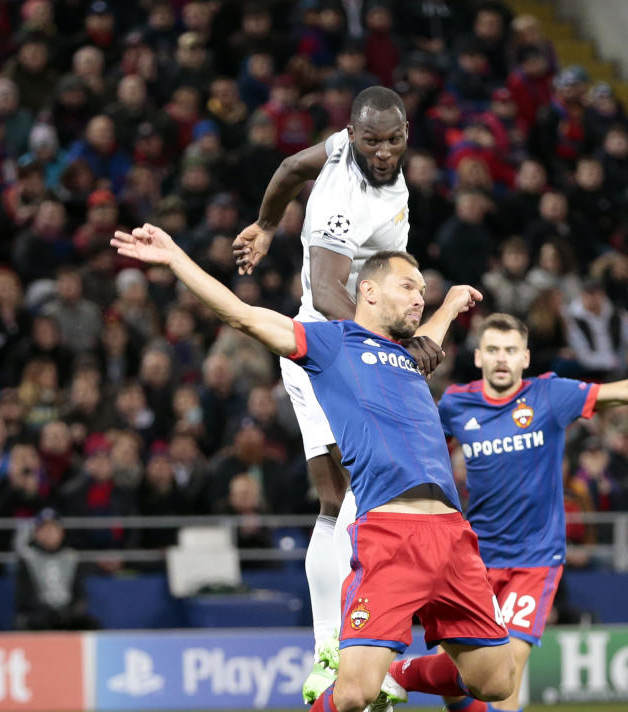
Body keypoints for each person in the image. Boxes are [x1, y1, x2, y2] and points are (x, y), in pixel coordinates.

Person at [114, 224, 515, 712]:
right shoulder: (331, 345)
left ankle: (400, 671)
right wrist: (176, 258)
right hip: (391, 533)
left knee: (496, 682)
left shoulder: (406, 358)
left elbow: (427, 333)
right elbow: (241, 316)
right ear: (367, 289)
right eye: (408, 287)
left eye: (423, 292)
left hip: (454, 534)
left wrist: (448, 307)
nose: (418, 298)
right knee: (351, 696)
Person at [230, 85, 444, 703]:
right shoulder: (345, 201)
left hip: (325, 348)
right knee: (361, 495)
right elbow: (326, 288)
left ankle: (339, 653)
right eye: (370, 141)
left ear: (406, 131)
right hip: (334, 352)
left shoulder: (338, 150)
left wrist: (267, 224)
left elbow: (290, 167)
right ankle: (347, 653)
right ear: (354, 133)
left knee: (341, 499)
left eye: (392, 139)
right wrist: (388, 352)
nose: (382, 152)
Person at [437, 312, 628, 712]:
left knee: (506, 669)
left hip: (534, 558)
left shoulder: (551, 396)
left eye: (511, 350)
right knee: (460, 679)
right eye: (493, 350)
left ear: (525, 358)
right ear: (479, 357)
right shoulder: (454, 403)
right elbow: (417, 446)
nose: (502, 358)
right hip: (474, 558)